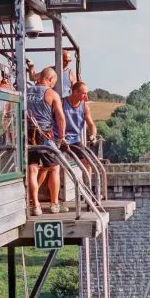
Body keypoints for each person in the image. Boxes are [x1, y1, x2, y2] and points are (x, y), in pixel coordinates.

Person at [27, 67, 69, 216]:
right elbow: (60, 117)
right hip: (44, 133)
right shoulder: (51, 94)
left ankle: (36, 205)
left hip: (27, 134)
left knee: (32, 169)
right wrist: (62, 137)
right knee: (54, 168)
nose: (53, 85)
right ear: (50, 79)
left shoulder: (25, 93)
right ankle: (54, 203)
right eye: (54, 82)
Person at [53, 81, 97, 179]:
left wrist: (93, 135)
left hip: (74, 140)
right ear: (75, 92)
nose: (86, 96)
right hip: (58, 138)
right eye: (84, 93)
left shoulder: (84, 107)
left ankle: (87, 190)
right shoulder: (61, 102)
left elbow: (91, 125)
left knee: (87, 162)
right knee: (50, 166)